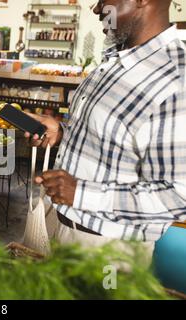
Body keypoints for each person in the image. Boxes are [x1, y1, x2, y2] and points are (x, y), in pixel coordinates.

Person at [25, 0, 186, 253]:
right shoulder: (115, 60)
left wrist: (80, 193)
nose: (97, 9)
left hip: (105, 251)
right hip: (60, 225)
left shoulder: (175, 81)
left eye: (103, 0)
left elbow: (176, 197)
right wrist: (63, 134)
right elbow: (118, 140)